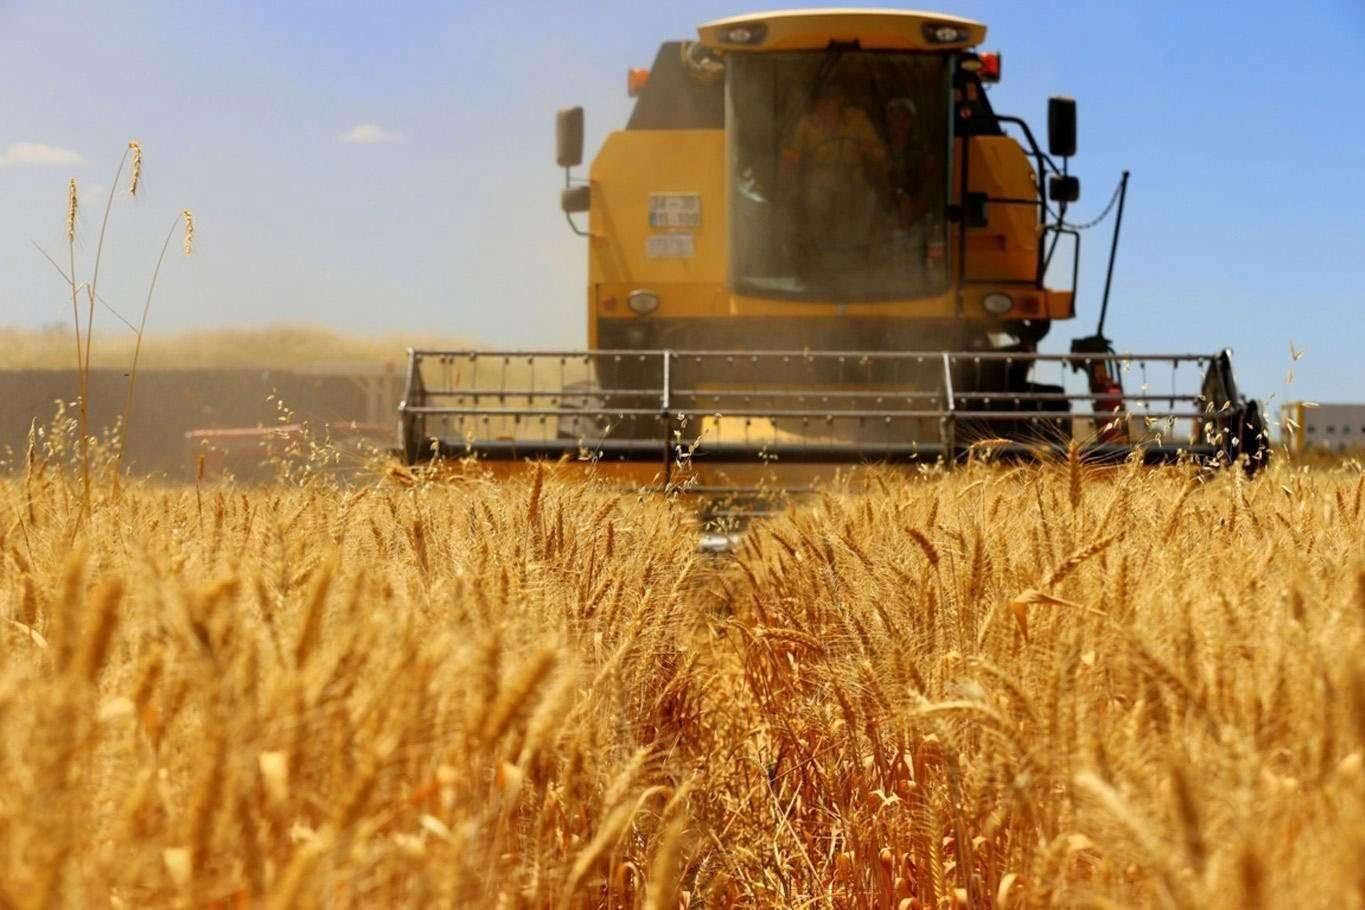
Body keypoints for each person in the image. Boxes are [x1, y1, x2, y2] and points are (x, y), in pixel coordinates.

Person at [779, 82, 887, 281]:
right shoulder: (806, 124)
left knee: (870, 198)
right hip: (817, 182)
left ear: (840, 102)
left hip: (853, 183)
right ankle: (818, 252)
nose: (826, 107)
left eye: (831, 101)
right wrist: (791, 163)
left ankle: (857, 253)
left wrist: (868, 149)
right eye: (821, 102)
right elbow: (792, 156)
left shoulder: (858, 119)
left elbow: (880, 153)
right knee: (814, 195)